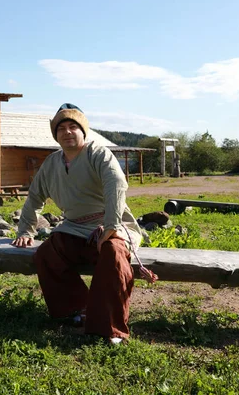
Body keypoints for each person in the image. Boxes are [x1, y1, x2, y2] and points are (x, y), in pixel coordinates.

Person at [11, 103, 157, 345]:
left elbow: (116, 185)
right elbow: (35, 195)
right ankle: (78, 309)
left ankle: (109, 328)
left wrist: (110, 227)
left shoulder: (98, 154)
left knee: (113, 254)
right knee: (48, 253)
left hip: (111, 223)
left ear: (83, 131)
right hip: (75, 227)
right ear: (55, 135)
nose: (67, 132)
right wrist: (26, 230)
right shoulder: (52, 163)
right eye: (61, 129)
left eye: (73, 127)